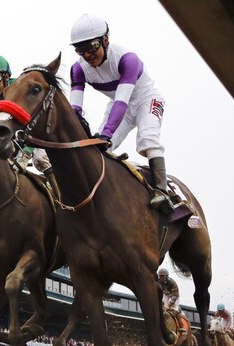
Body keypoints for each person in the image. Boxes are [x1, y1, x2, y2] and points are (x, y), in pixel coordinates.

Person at [69, 13, 172, 213]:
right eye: (81, 50)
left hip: (145, 99)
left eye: (92, 47)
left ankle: (162, 191)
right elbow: (75, 109)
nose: (88, 55)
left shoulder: (127, 59)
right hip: (117, 103)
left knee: (148, 140)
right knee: (100, 151)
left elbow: (122, 102)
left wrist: (106, 134)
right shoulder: (78, 68)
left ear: (105, 40)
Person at [0, 54, 60, 198]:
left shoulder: (21, 90)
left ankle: (60, 198)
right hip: (18, 139)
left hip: (40, 133)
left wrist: (26, 152)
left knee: (40, 160)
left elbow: (35, 121)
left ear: (6, 76)